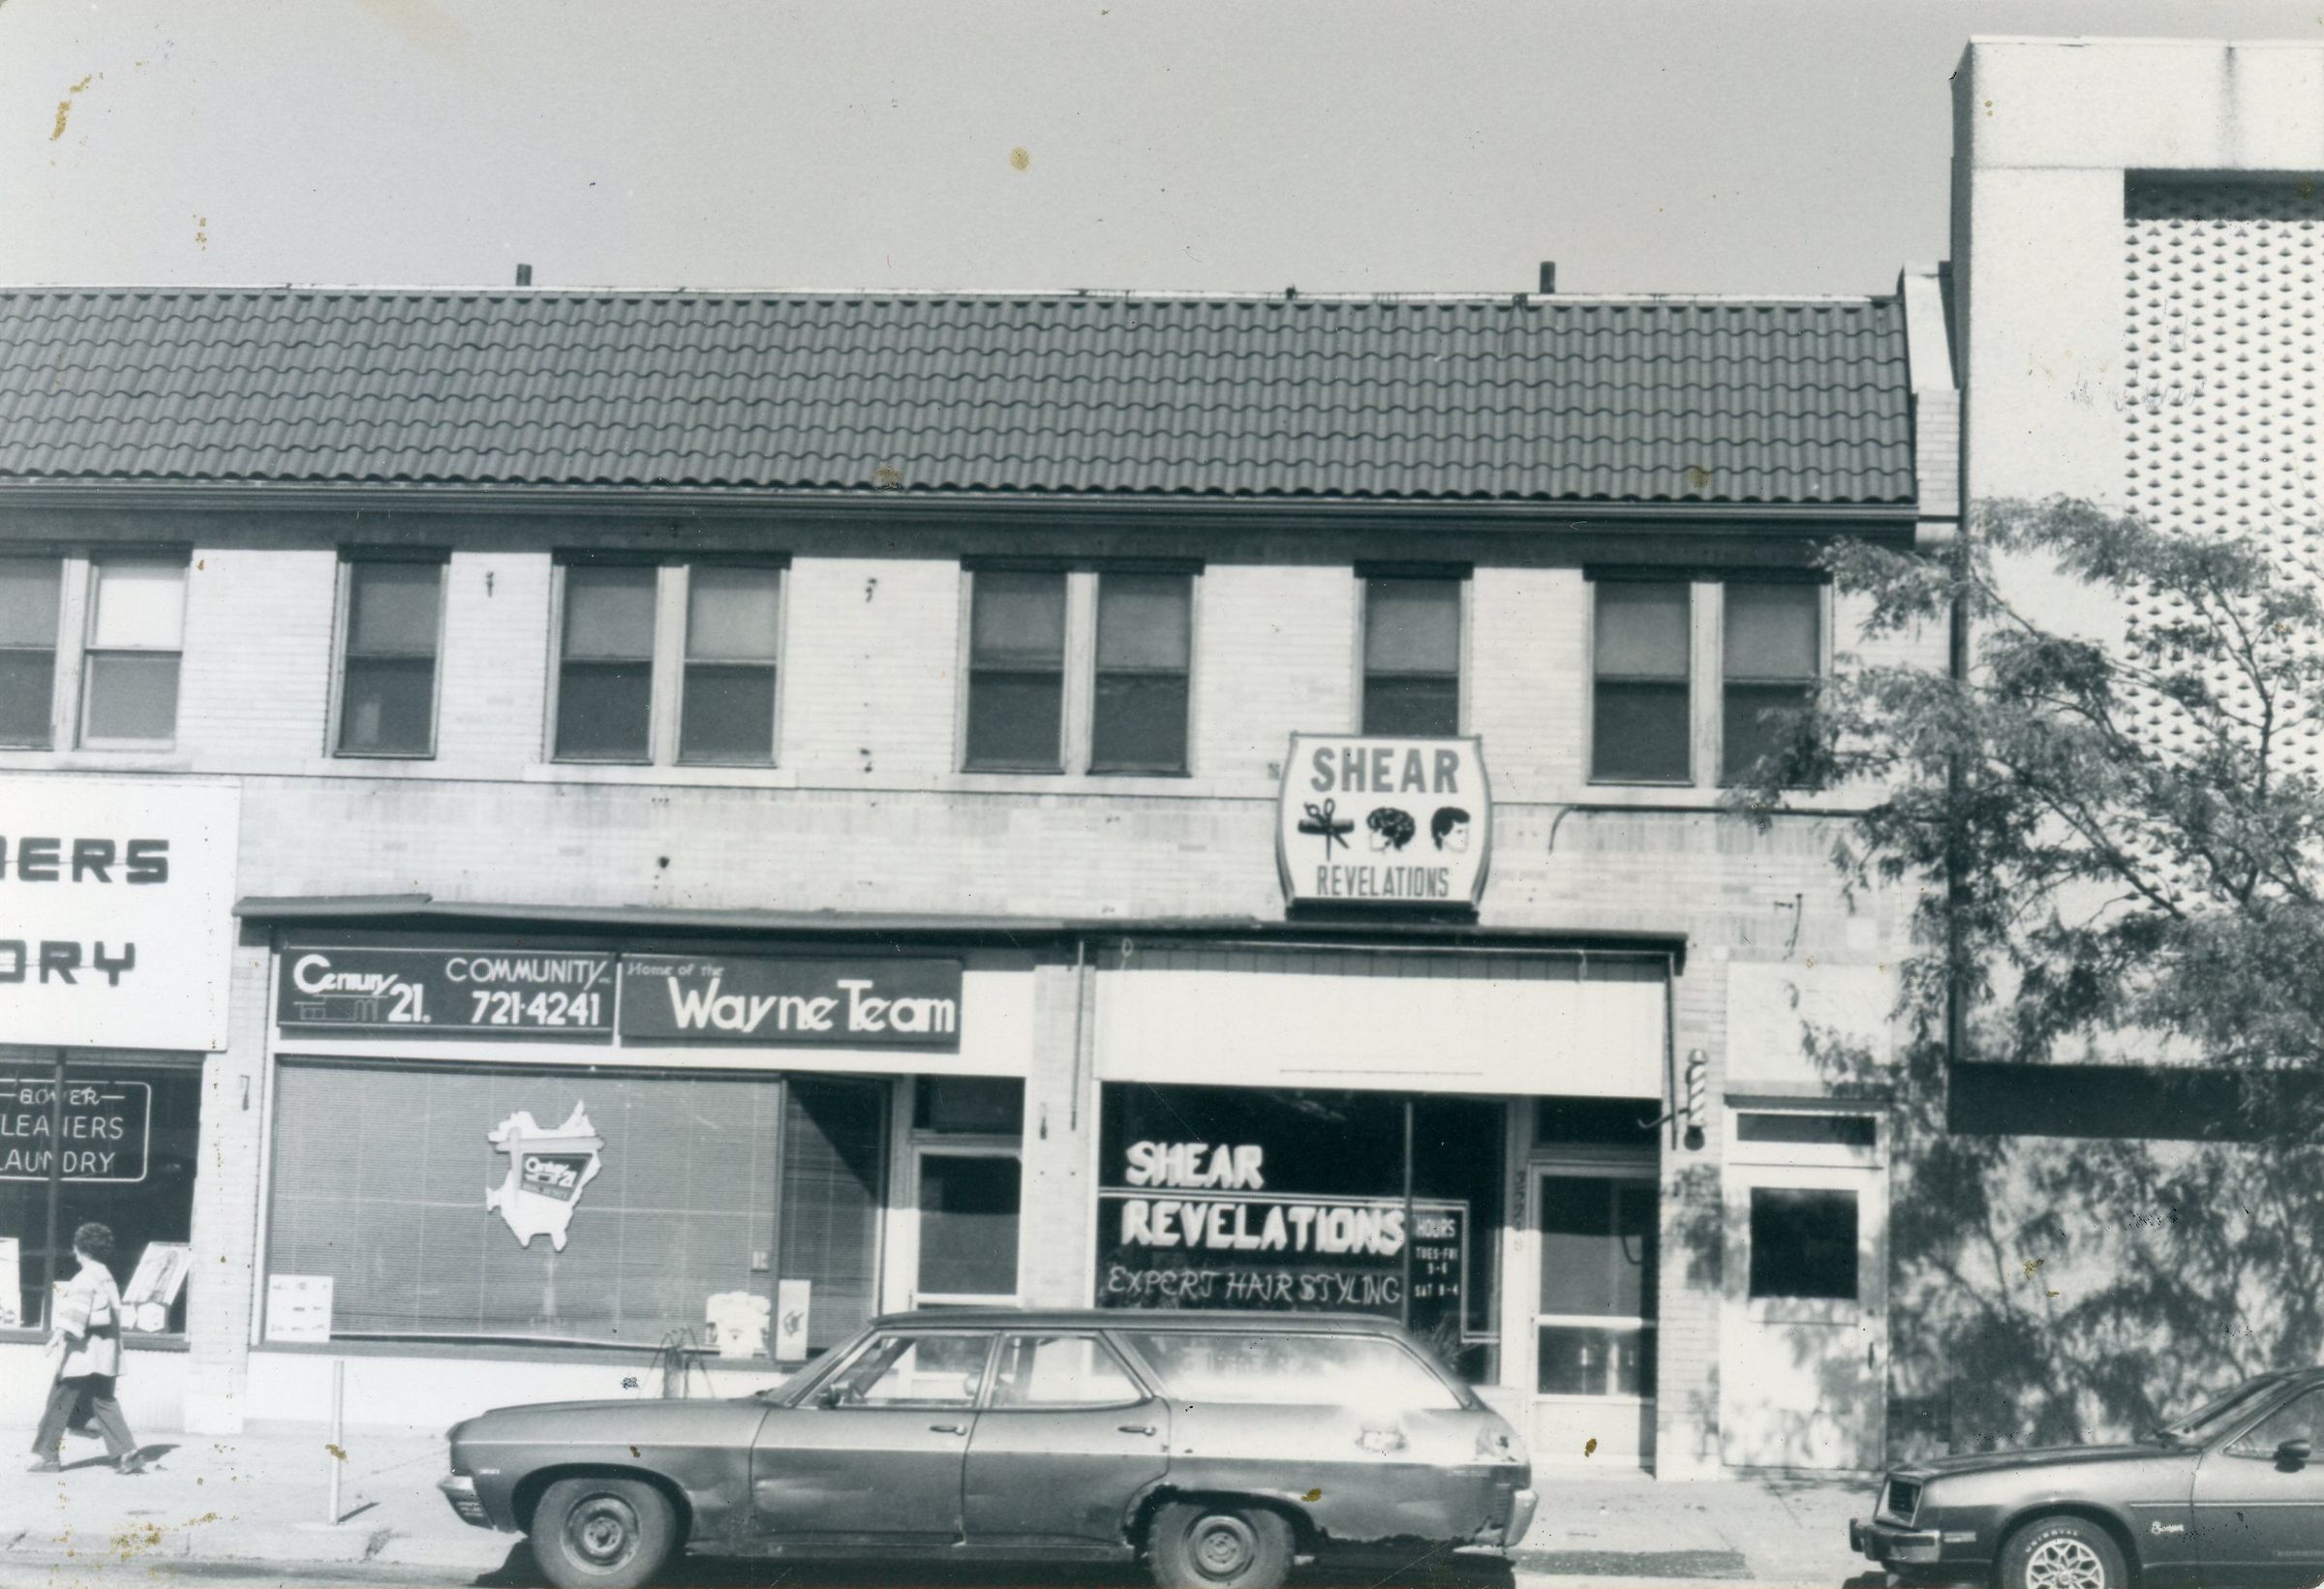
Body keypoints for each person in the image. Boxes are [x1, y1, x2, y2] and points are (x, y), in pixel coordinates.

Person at [28, 1222, 142, 1475]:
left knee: (58, 1403)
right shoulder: (106, 1276)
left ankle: (48, 1457)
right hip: (107, 1354)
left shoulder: (84, 1278)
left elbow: (76, 1314)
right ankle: (126, 1454)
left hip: (83, 1355)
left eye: (75, 1247)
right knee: (104, 1401)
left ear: (79, 1248)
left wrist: (56, 1337)